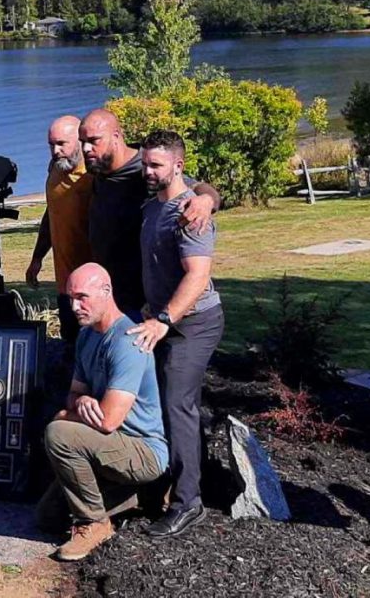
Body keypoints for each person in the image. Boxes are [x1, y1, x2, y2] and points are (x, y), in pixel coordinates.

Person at [126, 129, 225, 537]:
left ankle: (189, 504)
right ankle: (166, 482)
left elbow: (198, 277)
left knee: (177, 403)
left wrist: (163, 320)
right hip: (164, 320)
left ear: (178, 166)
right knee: (162, 403)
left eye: (156, 165)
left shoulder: (192, 213)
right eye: (145, 163)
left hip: (193, 324)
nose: (147, 171)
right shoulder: (152, 209)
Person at [36, 263, 168, 561]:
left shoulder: (128, 341)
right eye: (70, 298)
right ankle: (137, 495)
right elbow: (74, 395)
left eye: (82, 297)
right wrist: (80, 403)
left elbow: (109, 420)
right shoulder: (87, 336)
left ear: (106, 291)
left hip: (141, 449)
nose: (74, 306)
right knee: (48, 518)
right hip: (105, 446)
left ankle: (94, 523)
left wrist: (65, 417)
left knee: (58, 432)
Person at [79, 108, 219, 320]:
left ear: (116, 136)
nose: (86, 148)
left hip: (141, 300)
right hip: (110, 297)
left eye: (93, 140)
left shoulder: (145, 169)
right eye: (82, 141)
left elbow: (195, 187)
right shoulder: (99, 170)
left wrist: (206, 201)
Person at [26, 115, 94, 351]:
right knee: (70, 348)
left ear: (80, 140)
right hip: (64, 286)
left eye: (62, 144)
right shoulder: (54, 169)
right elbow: (52, 213)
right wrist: (37, 258)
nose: (55, 151)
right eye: (51, 145)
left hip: (92, 288)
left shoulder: (95, 176)